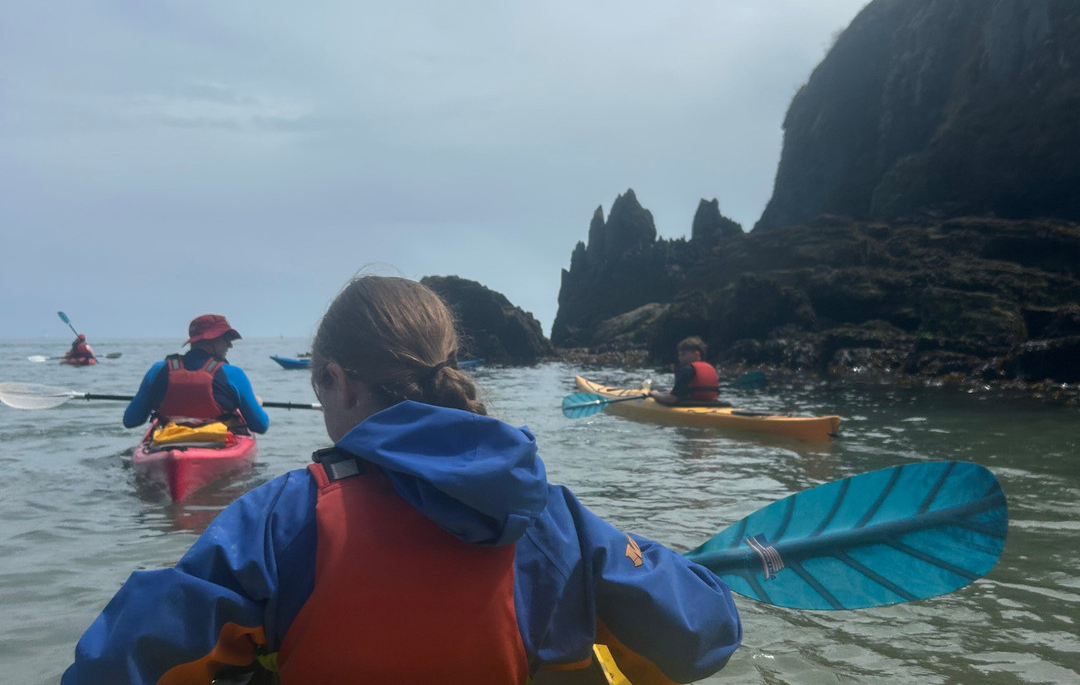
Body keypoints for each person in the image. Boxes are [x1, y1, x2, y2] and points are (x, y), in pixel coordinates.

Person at [64, 276, 741, 684]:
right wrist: (650, 560)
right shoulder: (550, 518)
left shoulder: (279, 519)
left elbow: (121, 661)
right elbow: (704, 634)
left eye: (321, 390)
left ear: (337, 382)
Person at [122, 314, 270, 434]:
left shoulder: (158, 369)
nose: (230, 345)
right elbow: (260, 426)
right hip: (217, 444)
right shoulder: (234, 374)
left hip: (166, 444)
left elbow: (131, 420)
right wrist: (257, 405)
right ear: (211, 340)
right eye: (226, 339)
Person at [649, 336, 720, 405]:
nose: (680, 358)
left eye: (683, 355)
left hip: (690, 405)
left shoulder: (687, 370)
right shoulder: (711, 368)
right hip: (711, 404)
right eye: (679, 355)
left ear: (696, 354)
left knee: (655, 391)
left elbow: (671, 399)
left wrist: (655, 394)